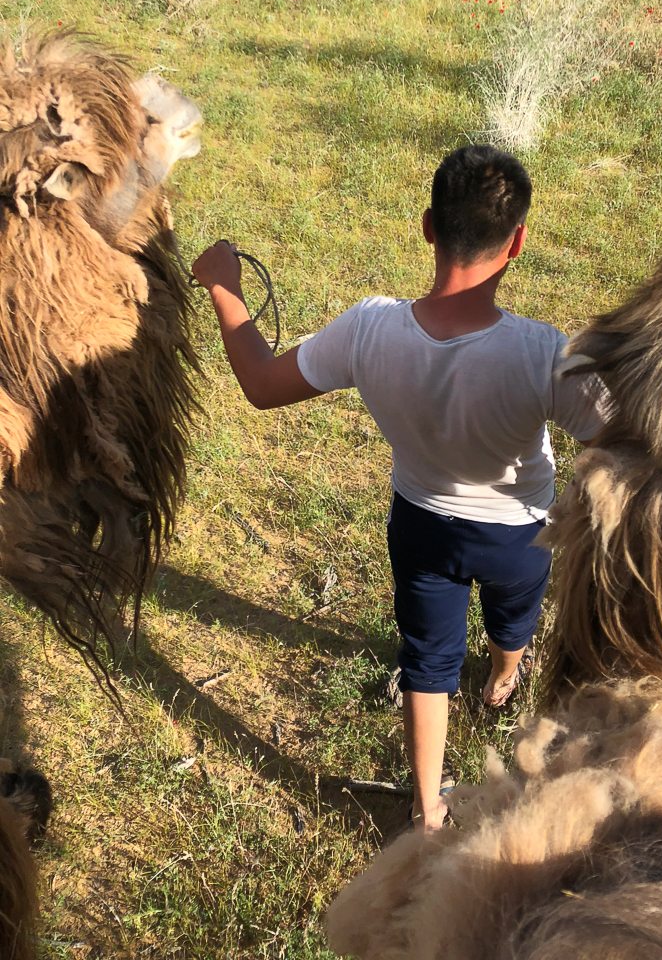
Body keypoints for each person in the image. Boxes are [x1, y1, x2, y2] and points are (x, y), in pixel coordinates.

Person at [192, 145, 607, 831]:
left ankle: (427, 808)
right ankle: (503, 679)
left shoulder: (369, 329)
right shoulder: (543, 353)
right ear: (519, 243)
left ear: (427, 227)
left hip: (421, 525)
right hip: (519, 536)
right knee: (513, 621)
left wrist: (223, 286)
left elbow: (261, 385)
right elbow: (624, 440)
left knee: (427, 660)